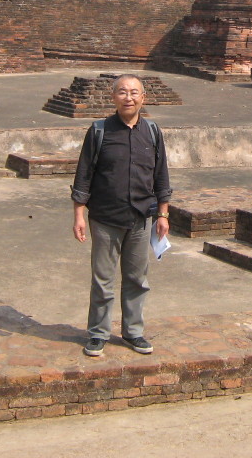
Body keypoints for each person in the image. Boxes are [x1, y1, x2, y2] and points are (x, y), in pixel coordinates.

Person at [71, 74, 172, 357]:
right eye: (123, 92)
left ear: (143, 98)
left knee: (137, 279)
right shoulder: (100, 130)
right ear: (113, 97)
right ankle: (98, 333)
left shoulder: (152, 132)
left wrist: (163, 214)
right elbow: (84, 174)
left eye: (134, 92)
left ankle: (133, 332)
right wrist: (79, 214)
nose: (129, 97)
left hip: (141, 217)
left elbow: (161, 174)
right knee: (103, 279)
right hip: (105, 217)